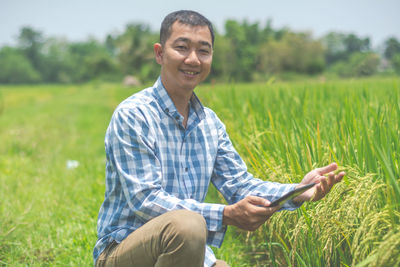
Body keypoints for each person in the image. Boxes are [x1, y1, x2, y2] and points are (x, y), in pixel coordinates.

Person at [93, 10, 345, 267]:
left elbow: (239, 185)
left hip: (185, 251)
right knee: (188, 225)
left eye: (204, 51)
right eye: (182, 48)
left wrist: (298, 191)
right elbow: (145, 200)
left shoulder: (210, 124)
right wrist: (226, 214)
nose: (193, 59)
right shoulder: (134, 115)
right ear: (160, 53)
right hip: (122, 251)